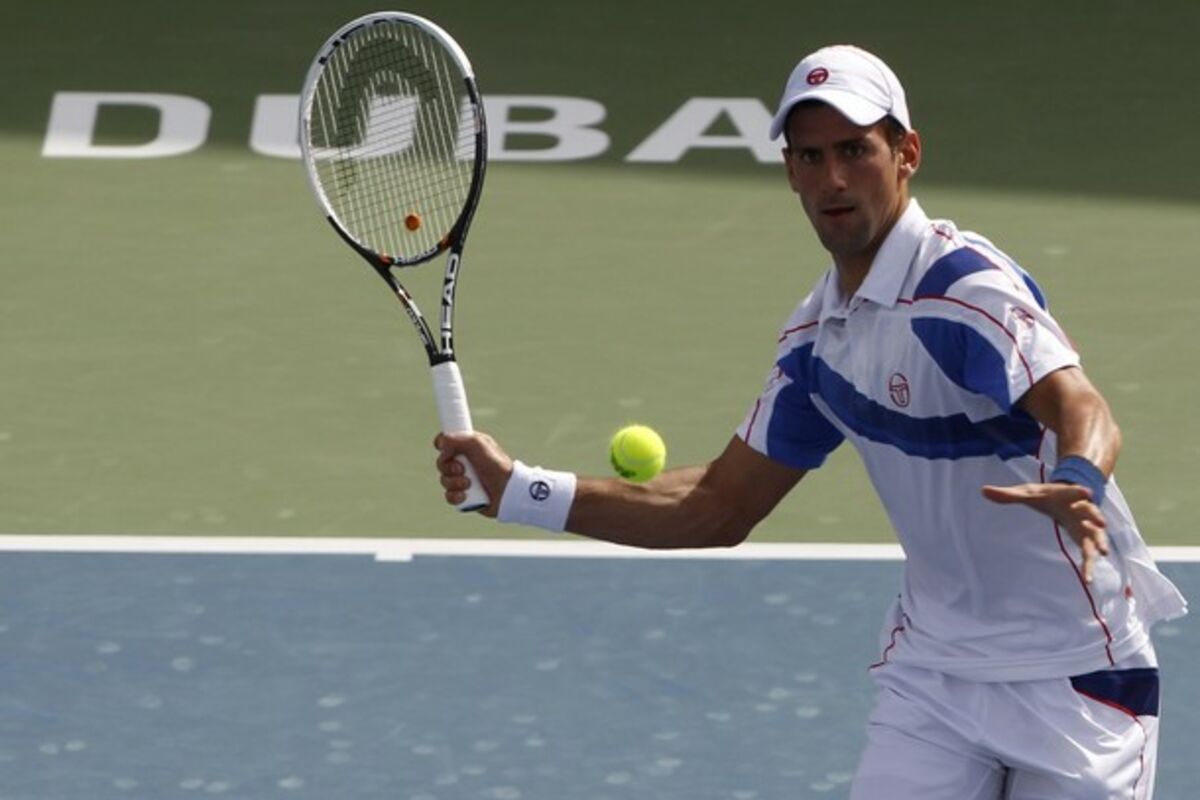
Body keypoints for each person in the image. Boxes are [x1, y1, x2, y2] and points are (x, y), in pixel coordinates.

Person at [434, 44, 1187, 799]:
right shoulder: (818, 342)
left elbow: (1081, 405)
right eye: (811, 156)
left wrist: (1079, 477)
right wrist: (518, 491)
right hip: (936, 679)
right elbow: (716, 506)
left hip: (1075, 678)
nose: (833, 179)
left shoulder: (963, 293)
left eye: (855, 150)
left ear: (906, 154)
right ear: (790, 171)